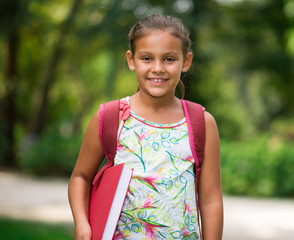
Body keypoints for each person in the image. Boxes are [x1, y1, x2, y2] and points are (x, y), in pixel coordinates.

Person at [68, 14, 223, 240]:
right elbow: (80, 177)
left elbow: (211, 201)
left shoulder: (201, 123)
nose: (158, 68)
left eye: (169, 59)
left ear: (186, 61)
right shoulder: (112, 117)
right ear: (131, 60)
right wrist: (82, 224)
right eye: (147, 58)